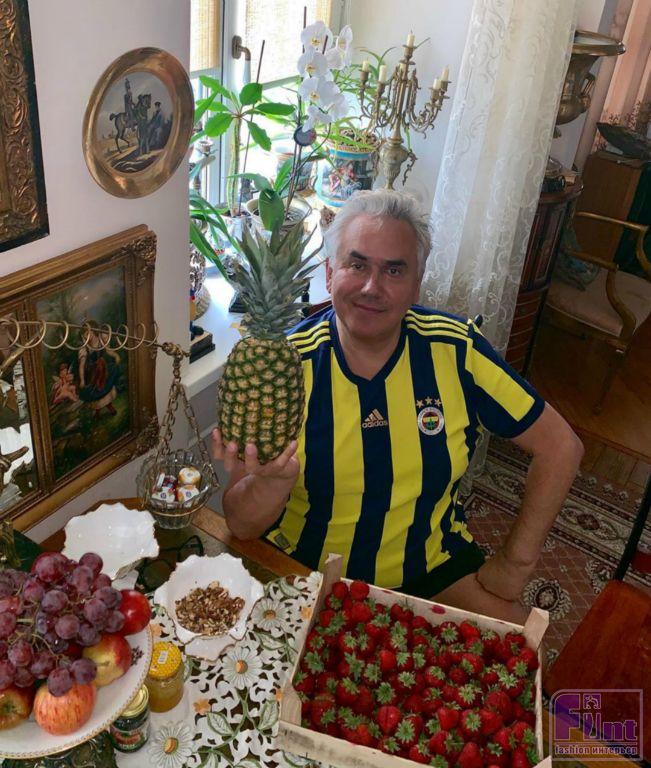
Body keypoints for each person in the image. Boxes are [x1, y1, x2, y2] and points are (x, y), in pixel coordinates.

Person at [213, 190, 584, 623]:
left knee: (520, 653)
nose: (372, 287)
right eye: (357, 265)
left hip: (434, 570)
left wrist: (515, 564)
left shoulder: (457, 351)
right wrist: (272, 483)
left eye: (394, 270)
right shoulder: (279, 368)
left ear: (416, 284)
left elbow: (561, 448)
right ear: (330, 274)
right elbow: (242, 526)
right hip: (305, 571)